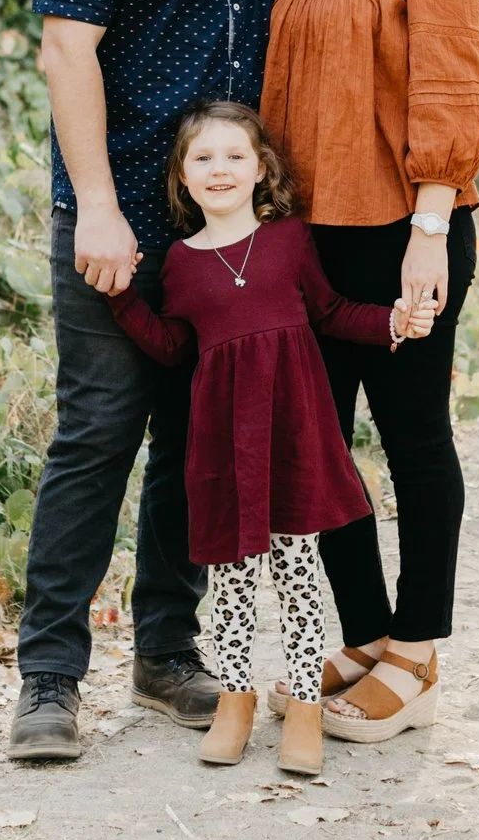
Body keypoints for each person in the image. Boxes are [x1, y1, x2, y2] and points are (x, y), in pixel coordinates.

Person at [7, 0, 291, 763]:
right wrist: (96, 206)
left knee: (194, 440)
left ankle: (167, 652)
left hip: (230, 226)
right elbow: (65, 49)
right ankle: (48, 678)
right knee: (98, 434)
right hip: (117, 212)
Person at [259, 0, 479, 745]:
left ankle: (418, 650)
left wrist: (430, 231)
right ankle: (364, 634)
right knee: (319, 448)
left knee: (413, 439)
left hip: (404, 229)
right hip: (311, 237)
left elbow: (452, 85)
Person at [102, 103, 436, 774]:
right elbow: (171, 347)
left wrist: (392, 324)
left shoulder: (289, 240)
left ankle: (305, 708)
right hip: (225, 449)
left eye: (235, 156)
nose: (220, 169)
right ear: (182, 176)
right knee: (229, 586)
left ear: (261, 169)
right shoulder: (180, 263)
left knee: (298, 578)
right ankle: (236, 704)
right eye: (203, 158)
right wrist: (120, 296)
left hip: (292, 440)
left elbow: (331, 312)